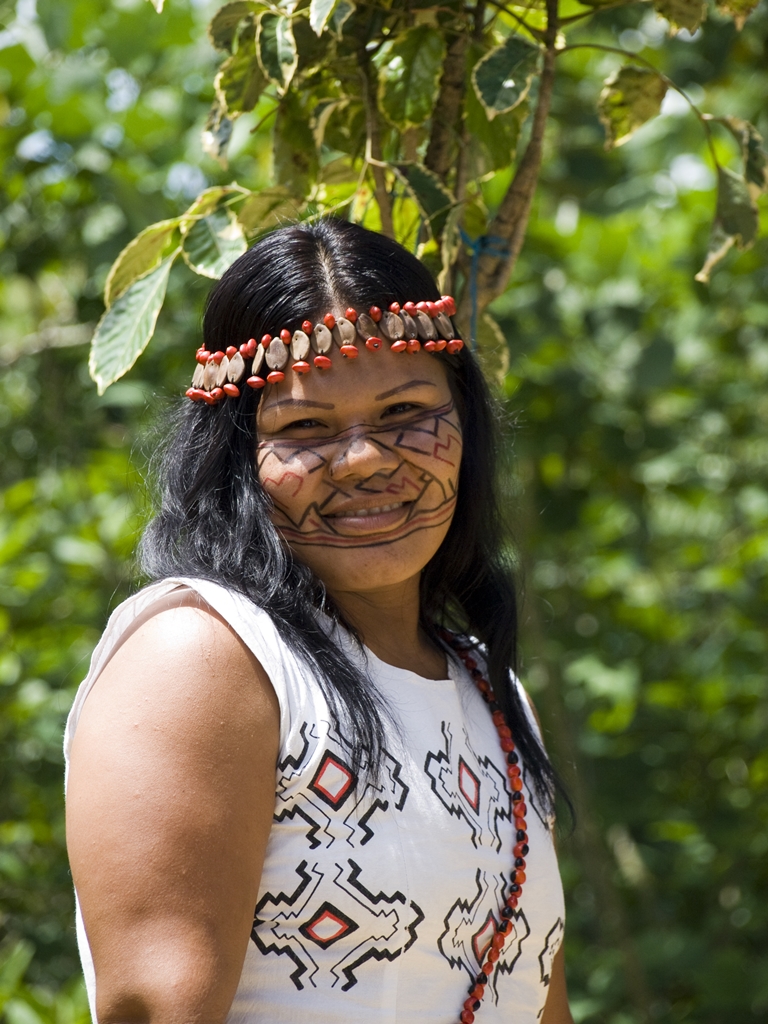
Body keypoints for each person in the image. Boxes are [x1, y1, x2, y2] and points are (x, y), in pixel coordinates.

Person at [64, 218, 573, 1024]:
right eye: (305, 428)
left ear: (466, 426)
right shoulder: (204, 657)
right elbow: (155, 1008)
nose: (365, 459)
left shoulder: (494, 690)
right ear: (238, 457)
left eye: (405, 411)